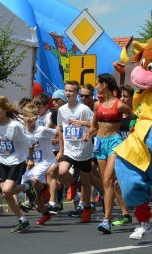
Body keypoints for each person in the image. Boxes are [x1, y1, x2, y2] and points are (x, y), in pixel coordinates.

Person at [87, 74, 134, 233]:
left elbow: (135, 117)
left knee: (108, 178)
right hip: (100, 143)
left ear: (105, 85)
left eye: (97, 83)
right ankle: (115, 214)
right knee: (107, 182)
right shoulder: (97, 105)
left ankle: (106, 220)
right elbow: (94, 126)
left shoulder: (120, 105)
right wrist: (88, 134)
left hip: (115, 141)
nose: (96, 86)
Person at [0, 96, 35, 233]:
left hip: (16, 161)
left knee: (7, 190)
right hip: (2, 161)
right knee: (6, 195)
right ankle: (23, 220)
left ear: (5, 110)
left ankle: (27, 186)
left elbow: (29, 142)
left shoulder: (15, 126)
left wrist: (30, 158)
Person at [55, 80, 95, 223]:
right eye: (66, 90)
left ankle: (86, 208)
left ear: (77, 93)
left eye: (71, 91)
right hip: (70, 149)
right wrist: (61, 149)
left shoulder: (83, 109)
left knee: (86, 181)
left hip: (84, 150)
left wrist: (85, 125)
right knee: (61, 172)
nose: (68, 93)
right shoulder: (62, 110)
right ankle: (73, 184)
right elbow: (60, 130)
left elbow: (95, 125)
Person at [19, 103, 58, 226]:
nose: (29, 119)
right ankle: (45, 213)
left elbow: (59, 134)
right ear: (23, 116)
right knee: (29, 188)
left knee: (31, 183)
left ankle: (42, 188)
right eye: (26, 116)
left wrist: (61, 152)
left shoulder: (41, 130)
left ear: (36, 117)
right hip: (34, 163)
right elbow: (28, 145)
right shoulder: (21, 130)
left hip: (46, 161)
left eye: (32, 116)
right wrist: (28, 159)